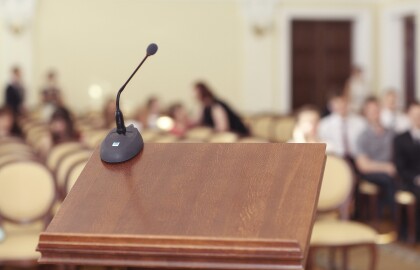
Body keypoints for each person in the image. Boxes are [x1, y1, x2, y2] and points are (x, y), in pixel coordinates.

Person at [355, 97, 396, 217]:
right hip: (372, 172)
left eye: (377, 110)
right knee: (388, 180)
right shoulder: (362, 137)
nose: (375, 114)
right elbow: (363, 166)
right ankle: (394, 220)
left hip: (392, 171)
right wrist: (386, 167)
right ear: (366, 114)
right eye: (371, 111)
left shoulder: (391, 133)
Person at [319, 93, 366, 160]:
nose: (341, 105)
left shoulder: (360, 122)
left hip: (357, 159)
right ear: (331, 105)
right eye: (337, 103)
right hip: (335, 160)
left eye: (343, 102)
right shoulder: (324, 125)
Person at [394, 102, 420, 201]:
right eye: (415, 115)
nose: (418, 117)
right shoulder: (400, 139)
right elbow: (400, 168)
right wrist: (416, 178)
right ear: (409, 115)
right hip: (410, 182)